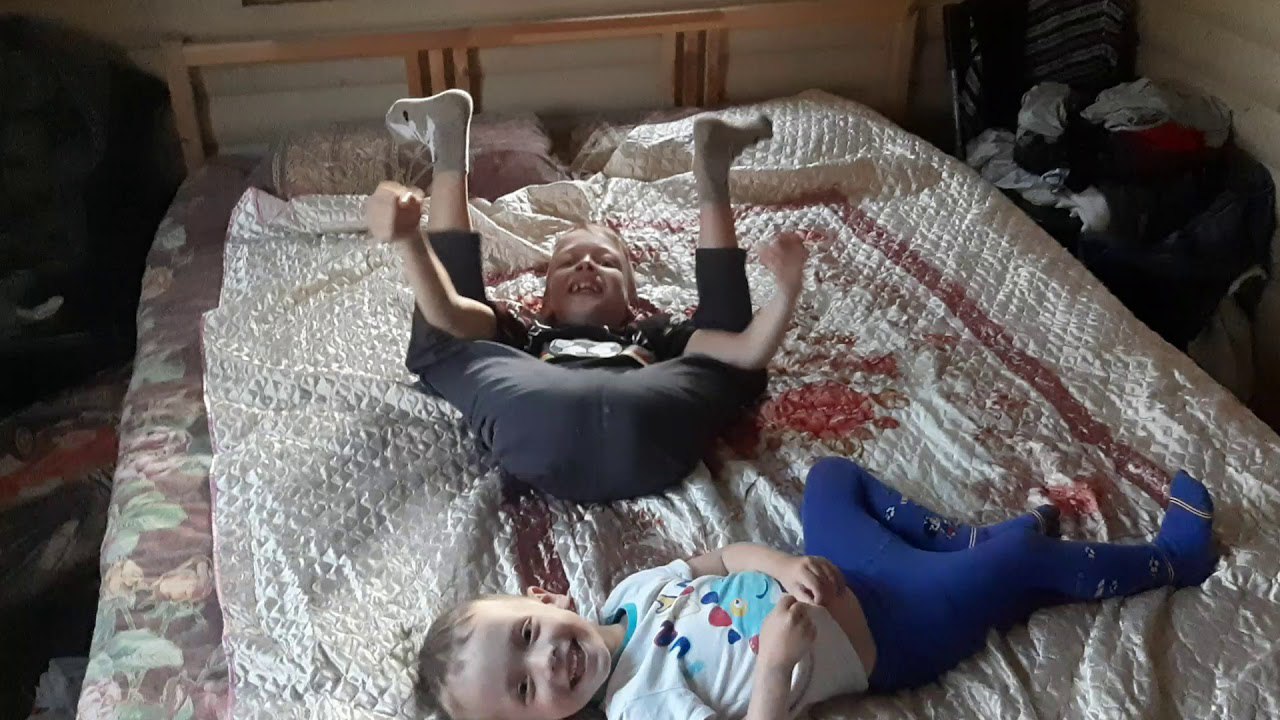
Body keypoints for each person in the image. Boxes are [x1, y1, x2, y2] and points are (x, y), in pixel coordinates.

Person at [414, 458, 1218, 719]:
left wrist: (779, 565)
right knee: (1018, 566)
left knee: (830, 479)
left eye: (526, 637)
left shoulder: (632, 592)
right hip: (893, 634)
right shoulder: (640, 706)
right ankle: (1170, 560)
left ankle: (959, 540)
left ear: (546, 599)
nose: (547, 664)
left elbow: (720, 557)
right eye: (523, 690)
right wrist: (772, 673)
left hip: (840, 572)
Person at [366, 89, 805, 503]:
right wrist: (411, 242)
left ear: (631, 300)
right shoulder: (524, 334)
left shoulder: (656, 336)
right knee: (446, 338)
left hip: (648, 410)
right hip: (538, 408)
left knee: (729, 364)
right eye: (569, 261)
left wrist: (786, 293)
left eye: (606, 262)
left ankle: (713, 170)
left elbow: (747, 350)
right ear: (546, 302)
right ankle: (448, 143)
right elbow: (447, 314)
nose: (587, 265)